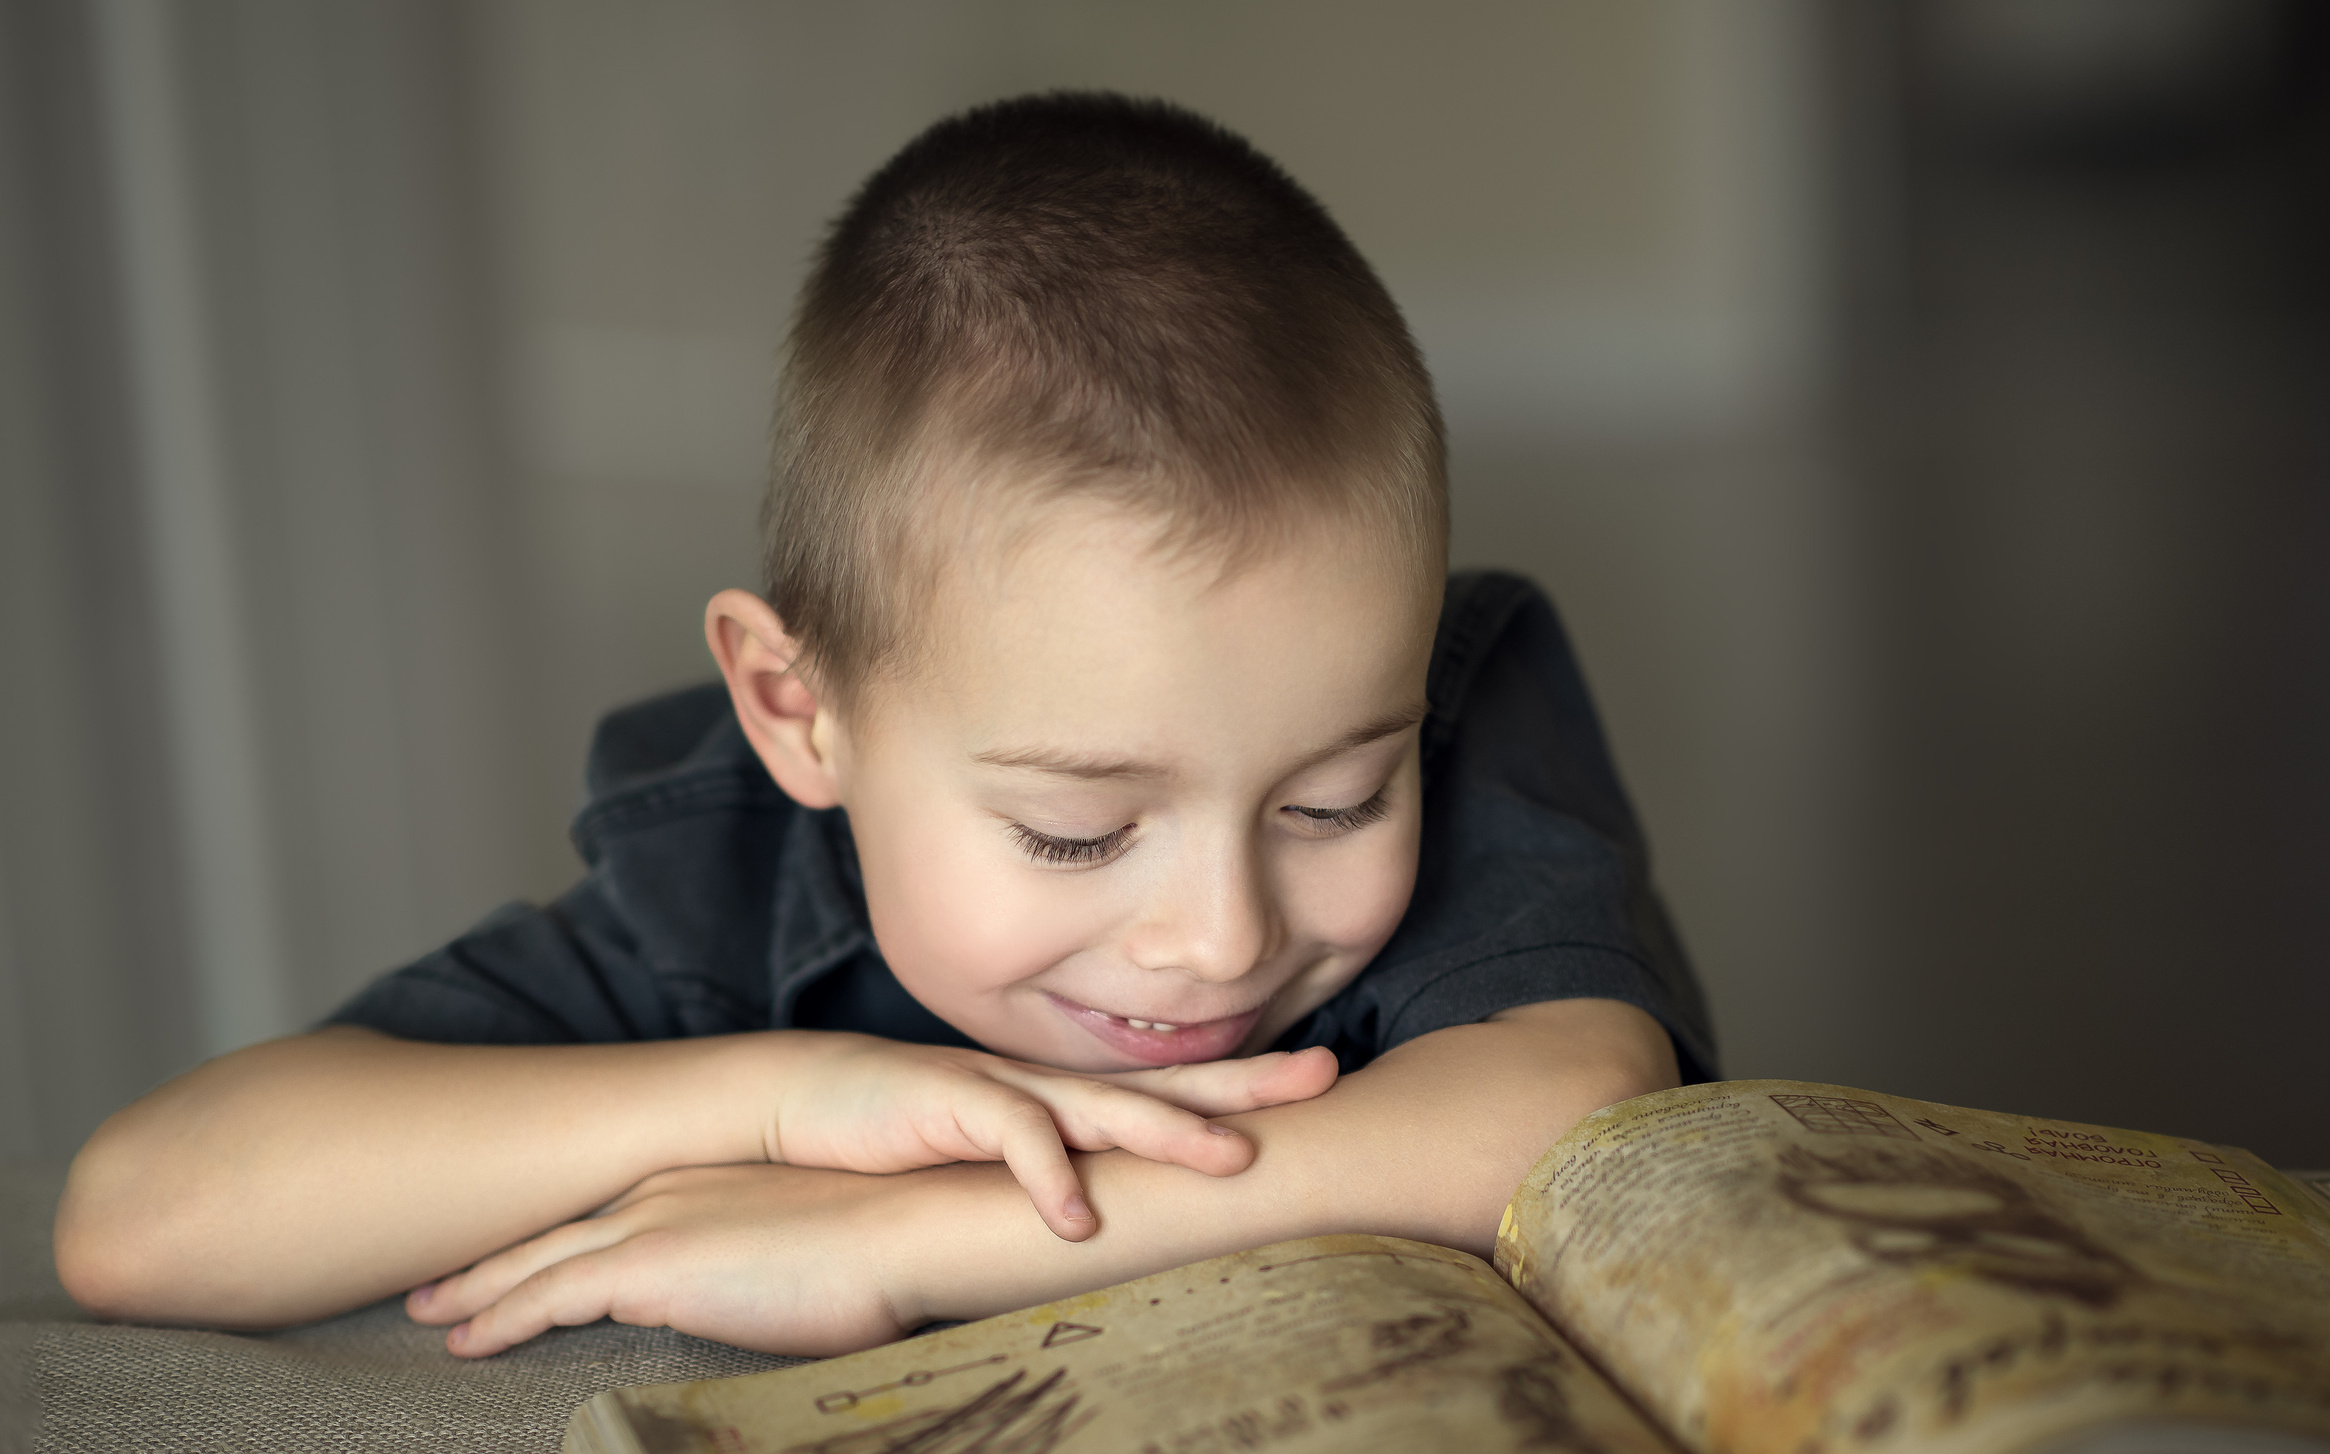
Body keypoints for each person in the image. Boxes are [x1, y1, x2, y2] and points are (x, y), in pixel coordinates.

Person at [55, 93, 1712, 1358]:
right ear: (799, 710)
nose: (1222, 938)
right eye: (1075, 830)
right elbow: (147, 1214)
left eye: (1336, 800)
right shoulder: (725, 884)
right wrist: (785, 1103)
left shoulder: (1458, 708)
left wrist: (910, 1238)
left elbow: (1571, 1102)